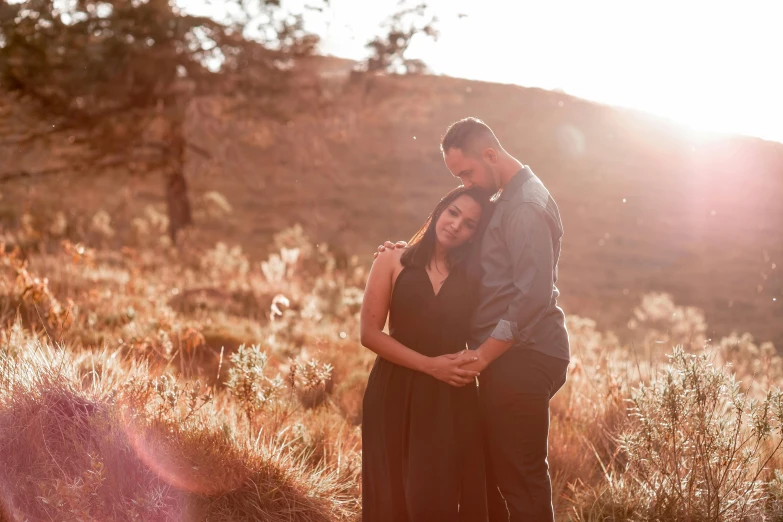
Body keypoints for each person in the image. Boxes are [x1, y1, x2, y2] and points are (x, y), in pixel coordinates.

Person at [376, 117, 570, 522]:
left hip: (525, 354)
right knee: (496, 475)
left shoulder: (526, 206)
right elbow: (458, 245)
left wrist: (482, 355)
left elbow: (531, 297)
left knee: (521, 476)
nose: (465, 183)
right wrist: (404, 253)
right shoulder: (503, 201)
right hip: (509, 356)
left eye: (466, 172)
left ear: (490, 155)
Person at [360, 185, 493, 522]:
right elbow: (369, 334)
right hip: (393, 389)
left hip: (450, 395)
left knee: (438, 495)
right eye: (453, 213)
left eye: (469, 224)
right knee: (390, 494)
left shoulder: (476, 277)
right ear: (439, 210)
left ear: (475, 235)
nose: (456, 225)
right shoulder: (391, 259)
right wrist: (430, 366)